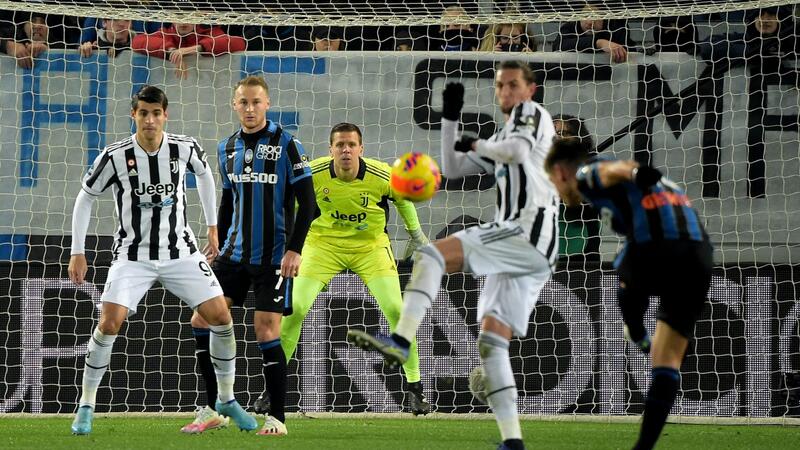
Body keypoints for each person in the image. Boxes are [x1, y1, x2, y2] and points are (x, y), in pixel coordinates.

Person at [347, 60, 559, 450]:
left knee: (431, 255)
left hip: (526, 230)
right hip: (532, 249)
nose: (506, 92)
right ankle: (513, 441)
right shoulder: (503, 133)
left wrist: (475, 143)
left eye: (513, 85)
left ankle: (401, 340)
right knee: (492, 344)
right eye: (500, 86)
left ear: (530, 90)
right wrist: (450, 119)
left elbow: (515, 152)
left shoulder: (531, 115)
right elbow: (452, 167)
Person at [68, 85, 257, 435]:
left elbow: (205, 175)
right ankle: (86, 405)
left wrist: (212, 226)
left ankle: (227, 399)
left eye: (156, 113)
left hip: (180, 253)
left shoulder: (184, 147)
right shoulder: (115, 156)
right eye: (143, 113)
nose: (150, 120)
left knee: (221, 316)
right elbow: (85, 197)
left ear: (165, 115)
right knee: (109, 324)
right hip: (132, 256)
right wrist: (77, 251)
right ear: (134, 115)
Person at [544, 138, 713, 450]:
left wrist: (635, 174)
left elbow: (615, 169)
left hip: (657, 245)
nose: (556, 191)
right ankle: (643, 447)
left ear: (560, 172)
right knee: (666, 362)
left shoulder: (587, 173)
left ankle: (636, 332)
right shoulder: (626, 193)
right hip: (699, 255)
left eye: (552, 182)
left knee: (623, 270)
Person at [181, 75, 316, 437]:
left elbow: (309, 205)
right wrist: (218, 244)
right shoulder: (226, 148)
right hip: (234, 254)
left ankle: (277, 418)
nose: (250, 108)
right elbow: (229, 202)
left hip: (274, 258)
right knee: (201, 320)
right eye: (244, 102)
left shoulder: (288, 145)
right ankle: (212, 409)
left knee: (265, 330)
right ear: (234, 105)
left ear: (267, 104)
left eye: (256, 102)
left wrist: (295, 250)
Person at [280, 122, 432, 415]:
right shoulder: (312, 173)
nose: (346, 150)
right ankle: (273, 389)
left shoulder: (382, 174)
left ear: (361, 149)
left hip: (370, 248)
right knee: (294, 308)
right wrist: (286, 242)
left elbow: (403, 199)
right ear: (331, 149)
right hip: (322, 246)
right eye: (340, 145)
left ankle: (415, 390)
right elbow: (291, 205)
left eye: (351, 145)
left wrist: (416, 236)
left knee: (397, 311)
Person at [552, 114, 600, 262]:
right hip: (544, 249)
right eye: (553, 133)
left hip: (580, 249)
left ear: (579, 138)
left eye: (564, 133)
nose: (557, 137)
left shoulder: (591, 167)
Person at [131, 23, 246, 79]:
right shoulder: (165, 33)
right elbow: (137, 41)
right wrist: (172, 51)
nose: (183, 22)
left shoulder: (209, 33)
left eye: (188, 16)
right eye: (178, 15)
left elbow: (239, 42)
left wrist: (196, 49)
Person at [554, 4, 636, 63]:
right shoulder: (570, 26)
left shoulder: (617, 28)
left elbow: (630, 52)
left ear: (604, 18)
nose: (590, 22)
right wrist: (599, 43)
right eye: (585, 16)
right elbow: (558, 46)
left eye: (595, 17)